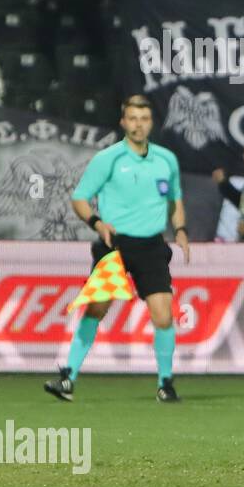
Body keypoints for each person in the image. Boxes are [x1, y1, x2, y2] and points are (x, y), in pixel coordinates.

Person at [44, 95, 190, 404]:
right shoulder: (108, 158)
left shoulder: (166, 160)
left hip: (151, 245)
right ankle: (68, 376)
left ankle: (166, 383)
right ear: (123, 122)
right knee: (97, 308)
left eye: (144, 119)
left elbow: (175, 201)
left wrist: (180, 229)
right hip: (115, 246)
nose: (138, 124)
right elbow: (80, 199)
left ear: (152, 122)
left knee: (163, 316)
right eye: (133, 119)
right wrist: (97, 223)